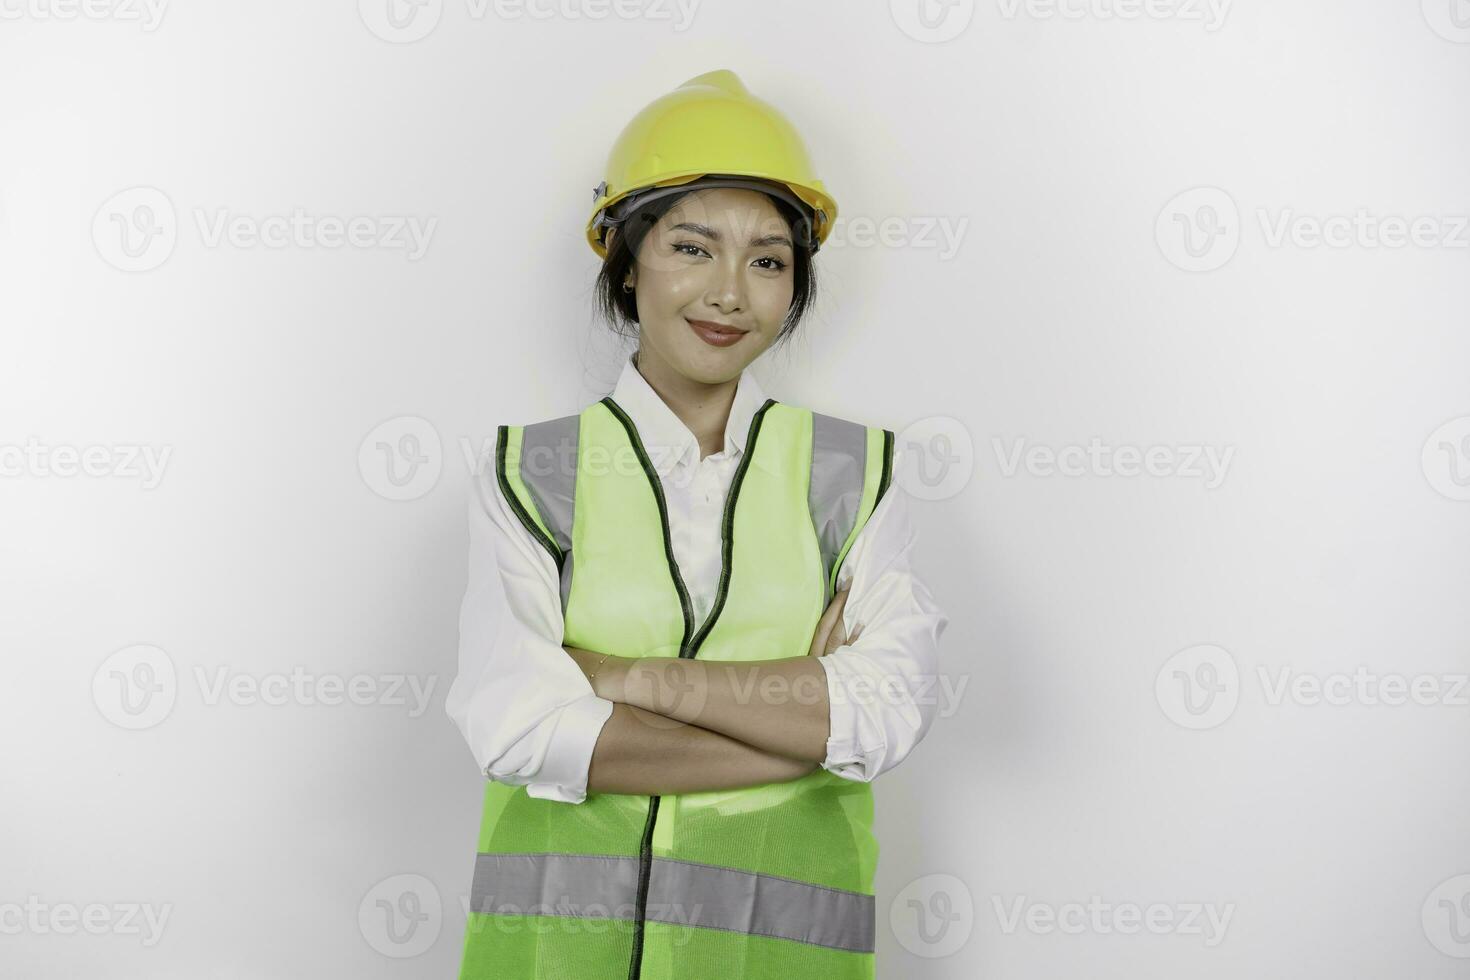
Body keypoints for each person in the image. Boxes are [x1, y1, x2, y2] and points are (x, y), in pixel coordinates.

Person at [445, 68, 950, 980]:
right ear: (625, 259)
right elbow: (520, 729)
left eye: (768, 260)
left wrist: (618, 679)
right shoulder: (532, 471)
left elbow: (887, 713)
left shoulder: (856, 474)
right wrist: (802, 725)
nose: (730, 292)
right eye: (691, 247)